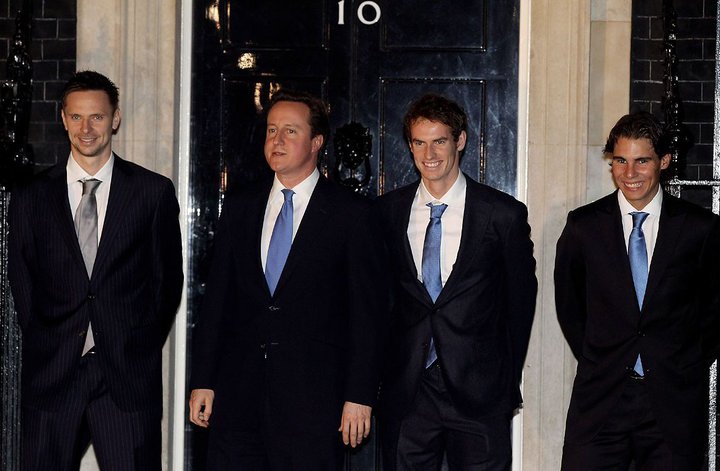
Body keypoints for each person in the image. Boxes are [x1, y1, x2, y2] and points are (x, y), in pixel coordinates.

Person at [188, 89, 387, 470]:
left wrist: (360, 395)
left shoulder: (352, 214)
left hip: (314, 404)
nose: (276, 140)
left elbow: (368, 315)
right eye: (271, 130)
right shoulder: (241, 206)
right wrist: (203, 380)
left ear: (316, 142)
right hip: (237, 398)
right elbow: (217, 302)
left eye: (290, 131)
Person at [8, 70, 183, 470]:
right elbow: (22, 278)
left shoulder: (151, 192)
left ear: (115, 119)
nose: (86, 129)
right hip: (52, 375)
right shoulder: (32, 196)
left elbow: (166, 282)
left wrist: (135, 340)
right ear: (63, 118)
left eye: (97, 117)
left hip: (125, 376)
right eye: (77, 117)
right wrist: (48, 337)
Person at [377, 93, 537, 470]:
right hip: (408, 392)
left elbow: (519, 306)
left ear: (460, 140)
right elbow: (379, 301)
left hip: (479, 393)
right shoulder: (386, 212)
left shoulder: (502, 214)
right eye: (419, 142)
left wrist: (501, 380)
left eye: (439, 141)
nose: (429, 154)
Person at [555, 112, 720, 470]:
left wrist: (682, 360)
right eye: (620, 161)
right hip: (601, 399)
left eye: (642, 161)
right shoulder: (583, 226)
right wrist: (603, 355)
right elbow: (570, 305)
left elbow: (715, 309)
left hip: (674, 402)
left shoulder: (700, 228)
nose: (630, 173)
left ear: (664, 161)